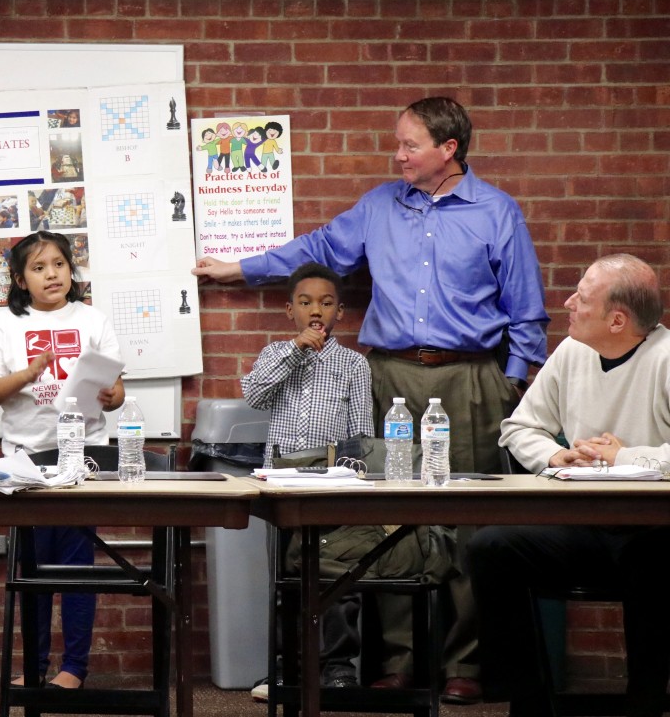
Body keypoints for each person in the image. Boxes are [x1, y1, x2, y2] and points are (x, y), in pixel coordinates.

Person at [193, 96, 550, 702]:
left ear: (449, 150)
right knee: (387, 521)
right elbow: (319, 249)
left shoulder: (497, 213)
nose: (398, 154)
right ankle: (399, 663)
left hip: (471, 382)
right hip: (389, 380)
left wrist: (509, 387)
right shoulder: (379, 206)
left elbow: (528, 315)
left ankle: (462, 666)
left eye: (410, 145)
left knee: (471, 524)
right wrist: (237, 270)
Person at [469, 253, 670, 717]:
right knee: (492, 548)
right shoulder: (572, 351)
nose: (568, 302)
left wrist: (625, 455)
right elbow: (519, 429)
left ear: (617, 320)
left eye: (582, 296)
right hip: (588, 526)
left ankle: (645, 703)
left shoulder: (664, 359)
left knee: (654, 561)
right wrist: (554, 454)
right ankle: (529, 700)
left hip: (656, 532)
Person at [0, 230, 125, 690]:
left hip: (82, 460)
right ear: (20, 280)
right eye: (38, 268)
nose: (51, 274)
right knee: (31, 571)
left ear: (70, 270)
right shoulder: (4, 326)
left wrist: (114, 395)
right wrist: (30, 372)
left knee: (77, 569)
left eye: (58, 264)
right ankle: (33, 669)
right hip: (25, 462)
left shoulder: (92, 319)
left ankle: (74, 668)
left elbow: (115, 394)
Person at [242, 263, 374, 692]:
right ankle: (287, 667)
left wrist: (356, 478)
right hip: (281, 485)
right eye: (305, 302)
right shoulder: (275, 355)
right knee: (286, 579)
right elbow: (256, 395)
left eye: (326, 302)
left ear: (340, 313)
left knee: (339, 577)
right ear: (289, 311)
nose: (315, 310)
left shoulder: (353, 364)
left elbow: (363, 432)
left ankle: (339, 667)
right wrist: (296, 350)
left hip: (332, 484)